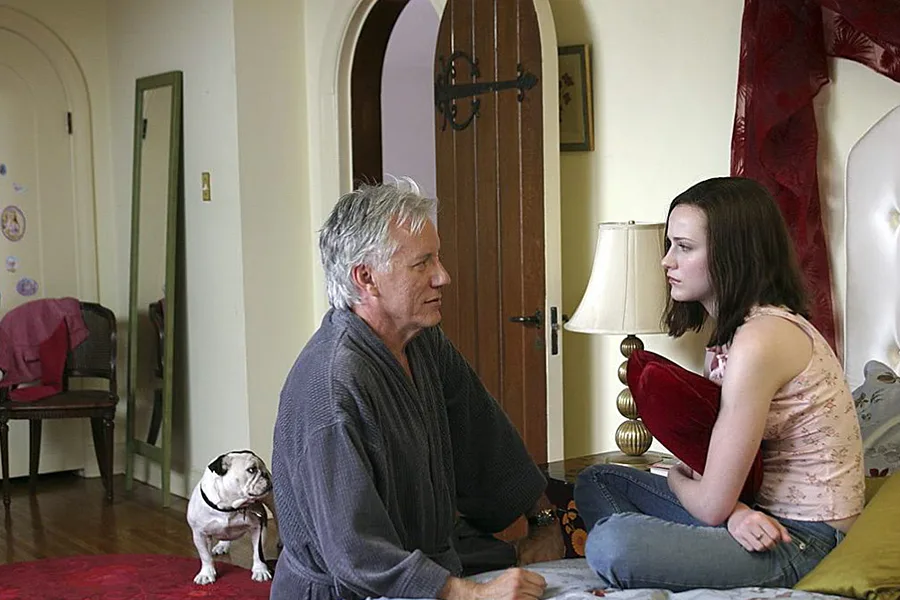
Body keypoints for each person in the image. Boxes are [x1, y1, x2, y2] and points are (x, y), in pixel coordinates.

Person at [270, 180, 564, 600]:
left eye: (437, 258)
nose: (443, 276)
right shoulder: (333, 386)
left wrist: (543, 520)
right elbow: (357, 554)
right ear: (366, 278)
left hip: (427, 570)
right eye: (422, 263)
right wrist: (474, 596)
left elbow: (481, 431)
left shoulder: (422, 341)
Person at [573, 177, 864, 591]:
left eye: (684, 247)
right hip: (754, 515)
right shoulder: (730, 338)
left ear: (734, 254)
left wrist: (677, 478)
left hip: (802, 541)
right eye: (669, 245)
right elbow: (714, 478)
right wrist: (736, 514)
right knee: (598, 480)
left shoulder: (761, 340)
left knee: (611, 543)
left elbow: (709, 502)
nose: (666, 262)